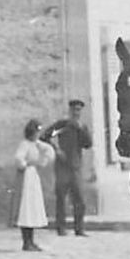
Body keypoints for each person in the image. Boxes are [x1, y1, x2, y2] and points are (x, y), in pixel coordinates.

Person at [41, 99, 94, 236]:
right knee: (61, 198)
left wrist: (81, 129)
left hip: (76, 167)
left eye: (78, 110)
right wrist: (56, 149)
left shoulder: (82, 127)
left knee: (79, 199)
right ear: (70, 111)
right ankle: (61, 228)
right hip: (62, 167)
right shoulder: (62, 125)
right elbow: (44, 136)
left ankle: (79, 228)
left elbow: (88, 144)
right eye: (74, 110)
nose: (76, 112)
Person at [14, 119, 52, 252]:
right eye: (36, 132)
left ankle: (31, 241)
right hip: (26, 178)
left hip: (33, 177)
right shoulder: (24, 144)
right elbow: (19, 159)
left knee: (33, 209)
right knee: (26, 210)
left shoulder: (36, 144)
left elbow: (48, 153)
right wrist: (26, 164)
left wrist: (41, 149)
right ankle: (26, 242)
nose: (37, 134)